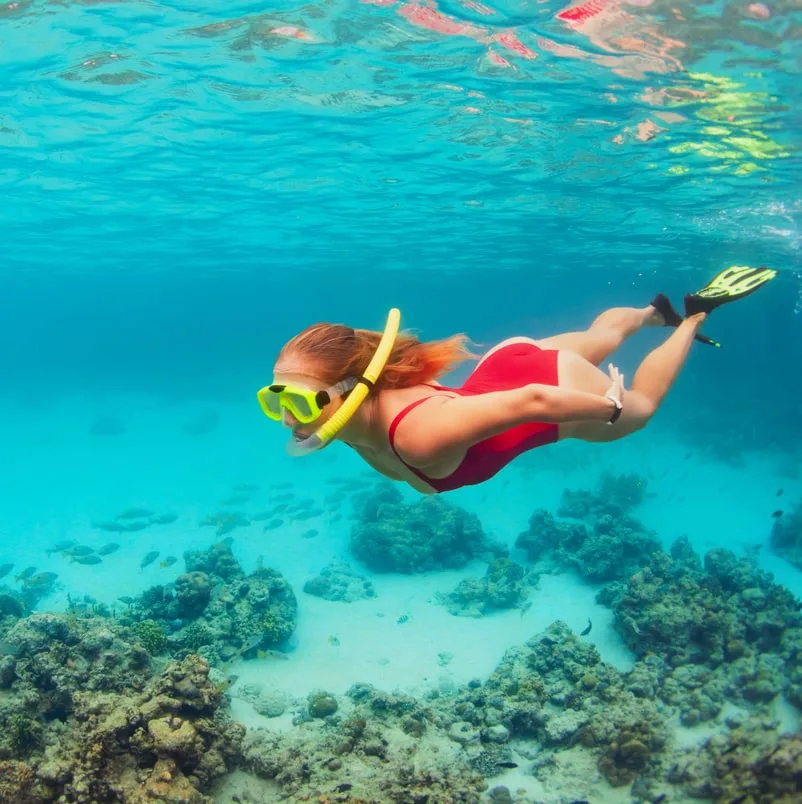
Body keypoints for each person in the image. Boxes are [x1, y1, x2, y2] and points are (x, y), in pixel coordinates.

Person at [257, 266, 776, 495]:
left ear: (353, 388)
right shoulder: (350, 418)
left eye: (300, 403)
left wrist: (608, 408)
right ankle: (650, 312)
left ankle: (692, 316)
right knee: (600, 336)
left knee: (643, 408)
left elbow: (532, 401)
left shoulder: (415, 434)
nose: (285, 418)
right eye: (274, 399)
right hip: (508, 364)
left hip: (543, 387)